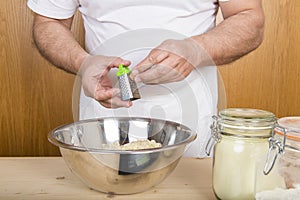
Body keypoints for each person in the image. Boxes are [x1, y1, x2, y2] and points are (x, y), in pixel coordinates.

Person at [27, 0, 265, 158]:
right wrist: (82, 63)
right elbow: (48, 22)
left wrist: (195, 50)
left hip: (192, 120)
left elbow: (249, 19)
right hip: (103, 118)